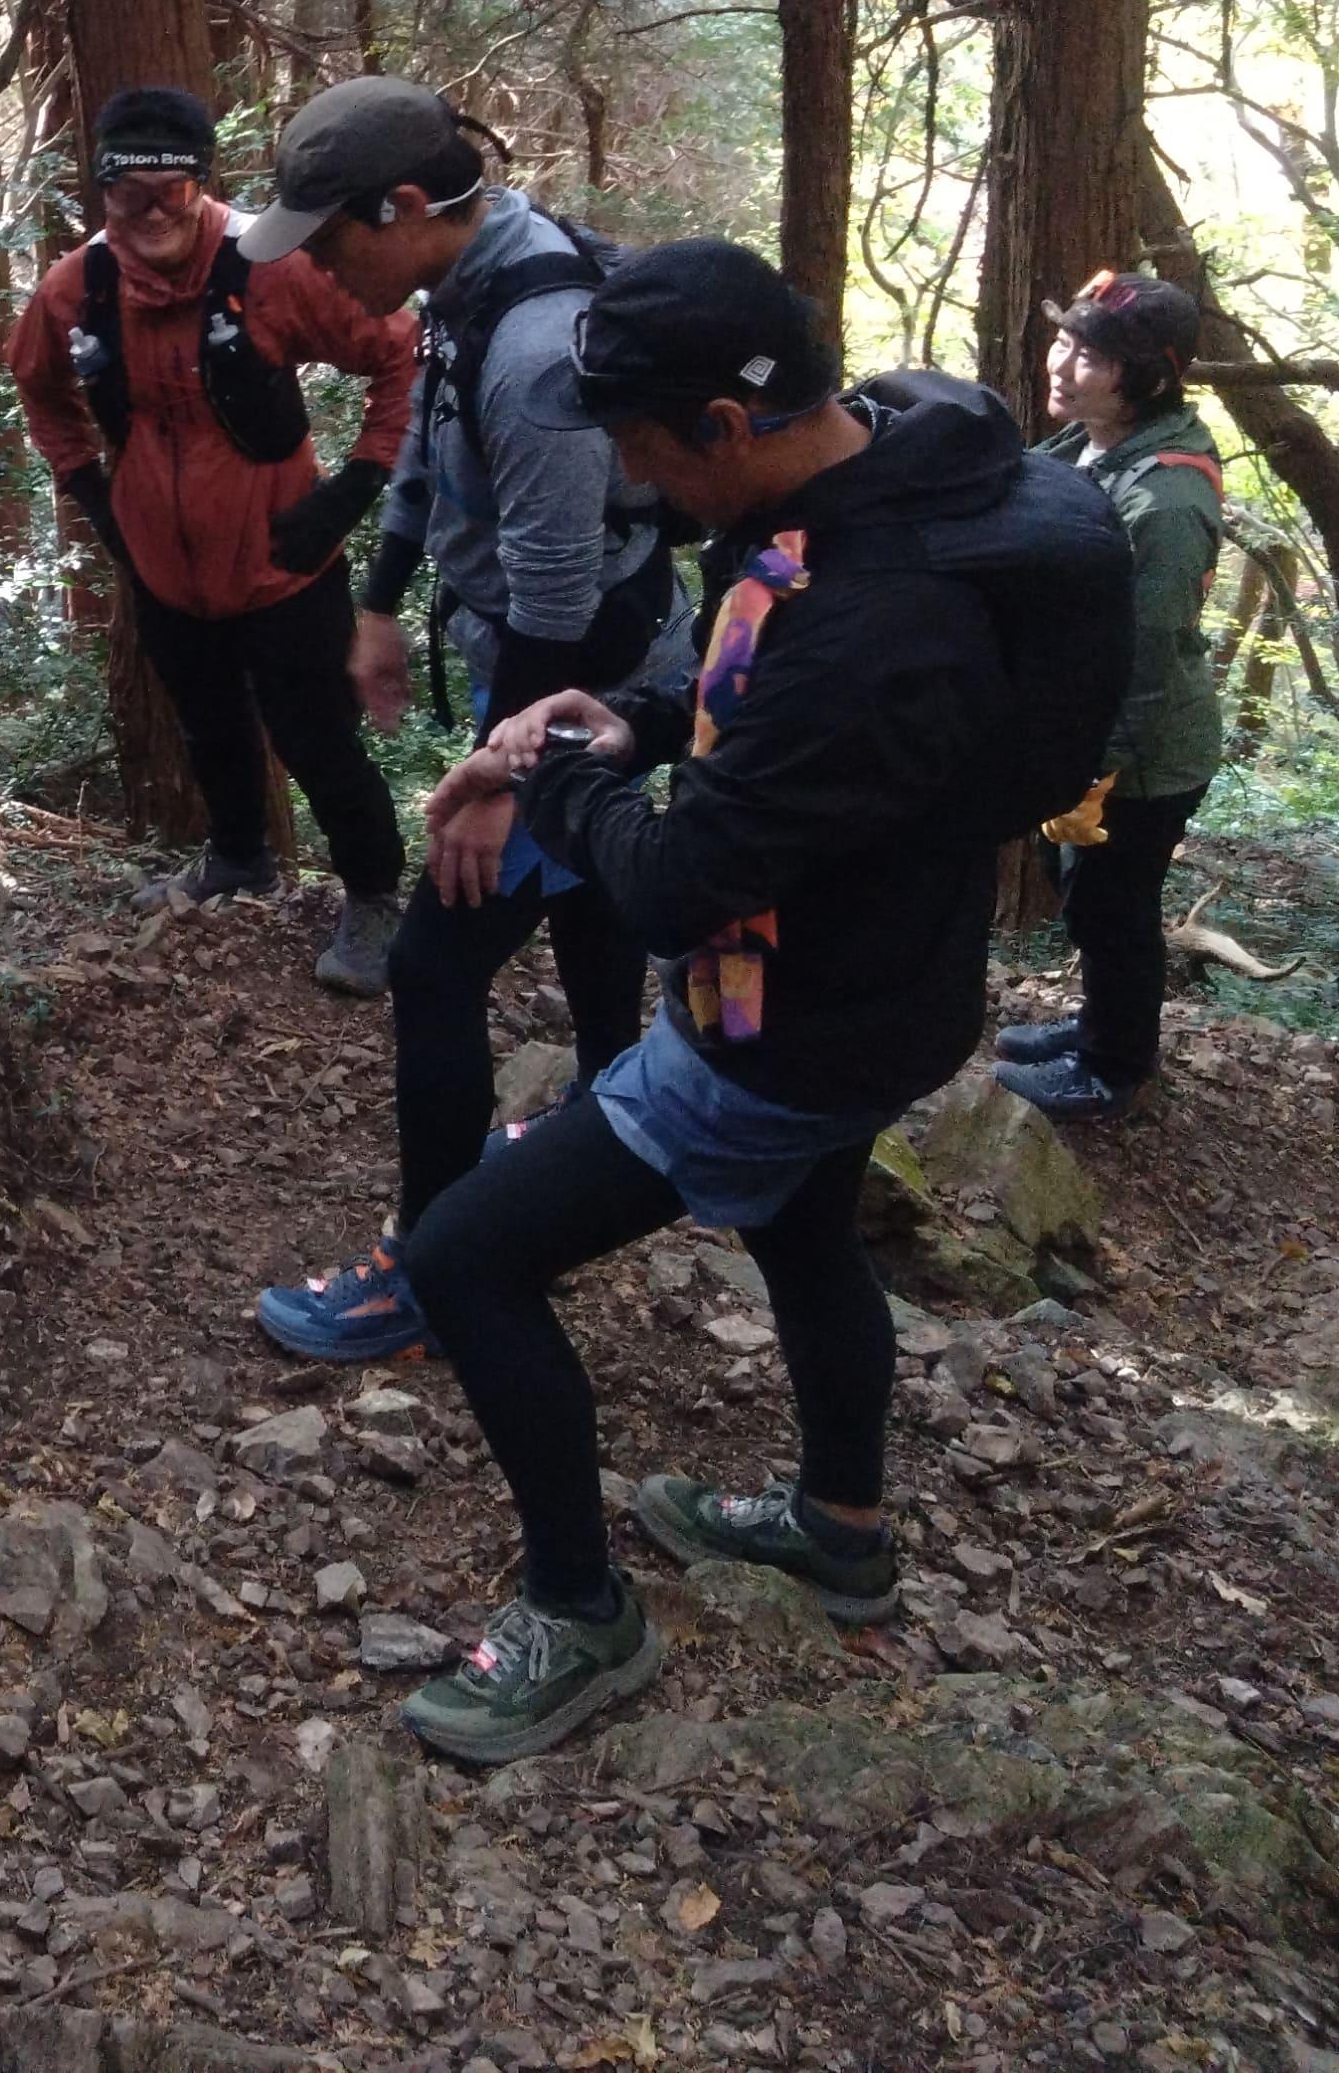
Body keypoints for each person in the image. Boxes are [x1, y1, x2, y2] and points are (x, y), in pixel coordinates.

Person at [381, 242, 1127, 1763]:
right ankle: (840, 1528)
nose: (633, 482)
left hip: (783, 1032)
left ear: (725, 423)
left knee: (465, 1260)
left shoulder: (878, 622)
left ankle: (579, 1614)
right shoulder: (880, 475)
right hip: (893, 992)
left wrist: (559, 771)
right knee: (803, 1230)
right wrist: (635, 716)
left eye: (643, 448)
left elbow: (673, 886)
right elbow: (767, 702)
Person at [232, 78, 684, 1363]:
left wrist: (500, 772)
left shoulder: (539, 350)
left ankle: (429, 1270)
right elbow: (433, 455)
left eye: (330, 238)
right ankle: (607, 1130)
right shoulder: (471, 279)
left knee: (433, 968)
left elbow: (556, 584)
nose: (317, 266)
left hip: (583, 678)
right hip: (562, 672)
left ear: (404, 207)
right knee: (589, 897)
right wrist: (380, 600)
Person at [8, 85, 421, 993]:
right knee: (207, 728)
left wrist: (355, 486)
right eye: (131, 194)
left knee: (318, 741)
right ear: (103, 192)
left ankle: (374, 898)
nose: (153, 212)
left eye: (174, 190)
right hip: (161, 567)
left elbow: (402, 354)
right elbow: (37, 385)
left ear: (202, 184)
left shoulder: (271, 268)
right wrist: (90, 491)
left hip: (284, 561)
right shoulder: (79, 288)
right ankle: (239, 858)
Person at [996, 271, 1225, 1120]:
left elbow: (1149, 655)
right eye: (1064, 342)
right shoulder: (1093, 443)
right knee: (1088, 897)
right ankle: (1099, 1024)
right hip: (1093, 729)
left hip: (1145, 753)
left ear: (1148, 379)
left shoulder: (1165, 499)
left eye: (1089, 357)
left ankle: (1113, 1069)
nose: (1061, 366)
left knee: (1114, 907)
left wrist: (1100, 769)